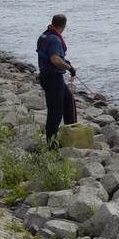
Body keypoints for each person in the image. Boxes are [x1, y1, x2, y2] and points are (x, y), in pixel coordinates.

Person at [36, 13, 77, 145]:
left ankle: (72, 133)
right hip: (52, 78)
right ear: (63, 26)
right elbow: (55, 59)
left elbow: (49, 55)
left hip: (46, 75)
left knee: (69, 101)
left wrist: (65, 62)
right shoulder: (54, 39)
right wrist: (69, 68)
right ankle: (52, 145)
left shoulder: (44, 35)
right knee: (55, 112)